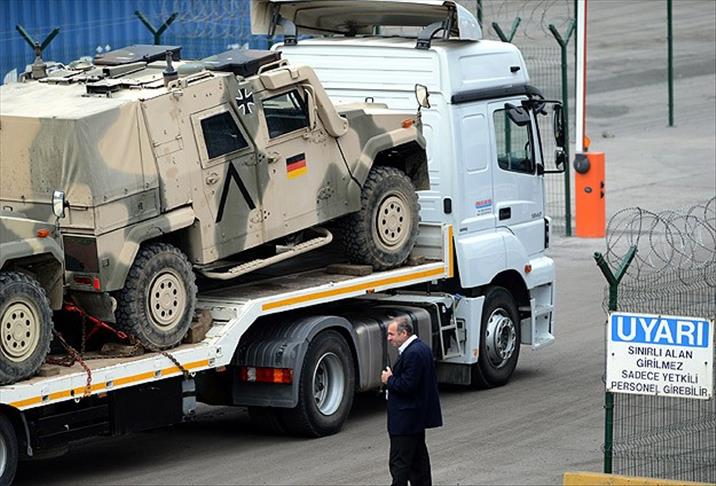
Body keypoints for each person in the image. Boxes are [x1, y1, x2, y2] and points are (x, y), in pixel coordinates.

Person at [381, 316, 442, 486]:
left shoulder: (413, 353)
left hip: (405, 421)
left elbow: (408, 385)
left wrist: (389, 379)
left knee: (399, 465)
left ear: (404, 333)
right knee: (418, 464)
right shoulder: (421, 348)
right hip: (415, 420)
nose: (389, 338)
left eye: (392, 334)